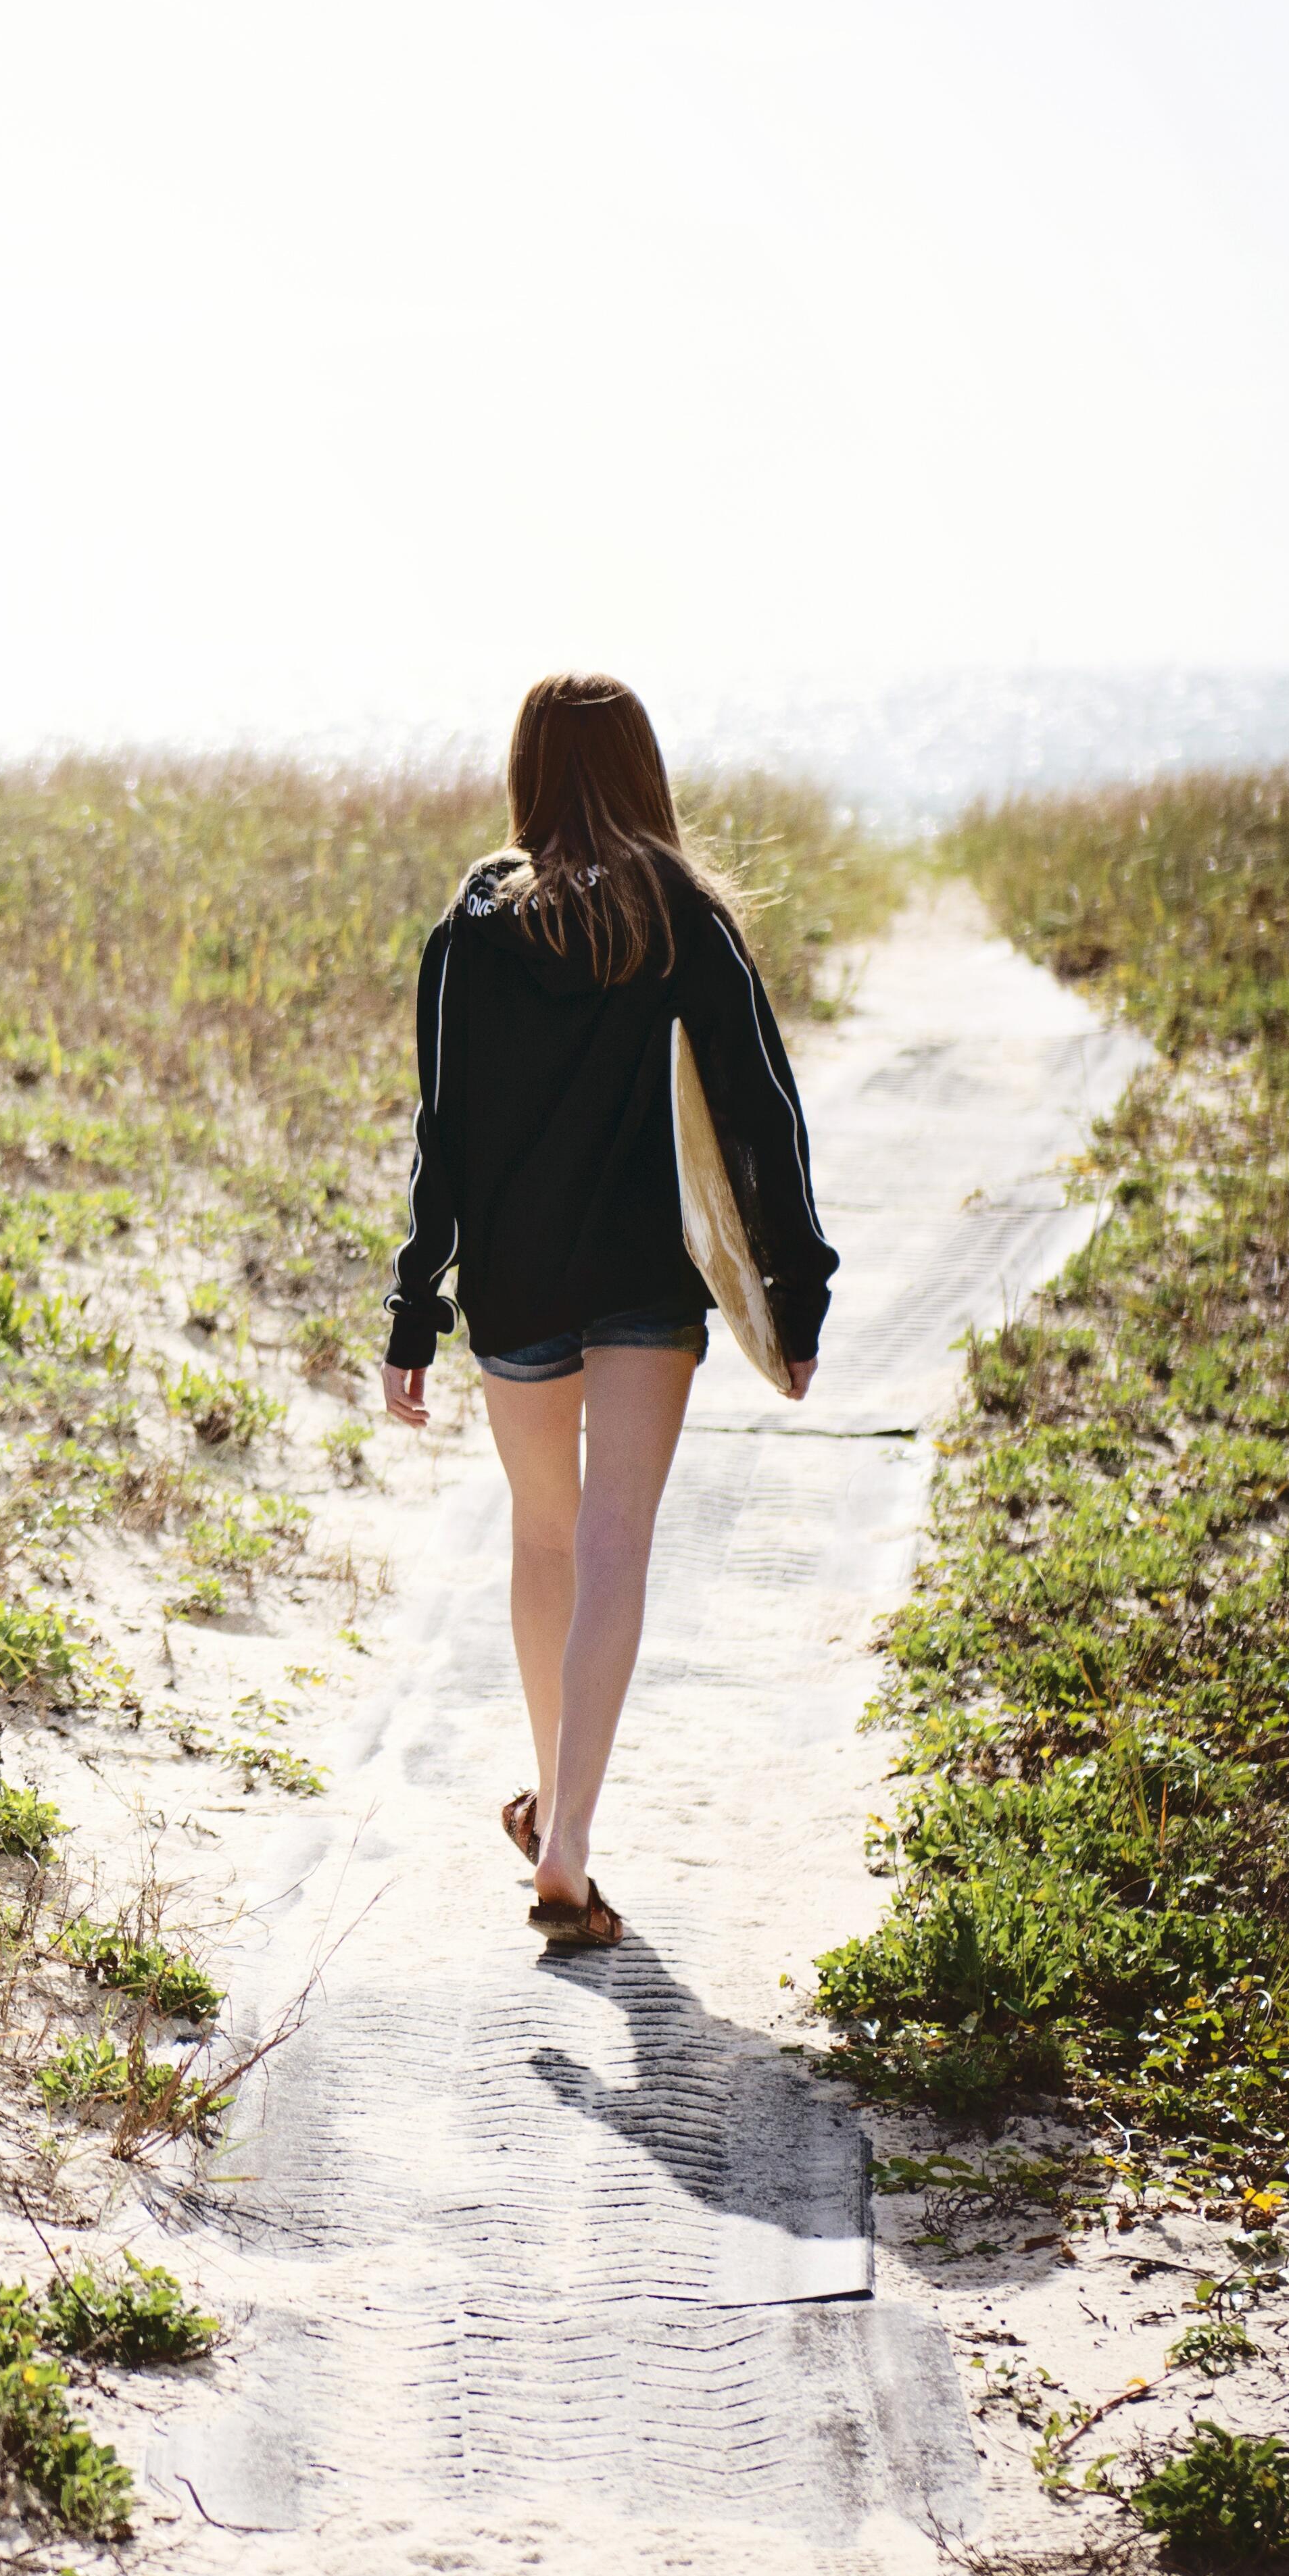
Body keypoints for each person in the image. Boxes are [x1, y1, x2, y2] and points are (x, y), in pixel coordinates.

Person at [374, 674, 839, 1951]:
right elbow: (762, 1115)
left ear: (528, 770)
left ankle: (555, 1799)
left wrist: (416, 1309)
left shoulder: (474, 924)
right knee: (616, 1542)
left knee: (545, 1538)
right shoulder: (681, 913)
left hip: (517, 1283)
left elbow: (442, 1134)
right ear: (643, 770)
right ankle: (567, 1836)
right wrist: (796, 1292)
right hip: (643, 1285)